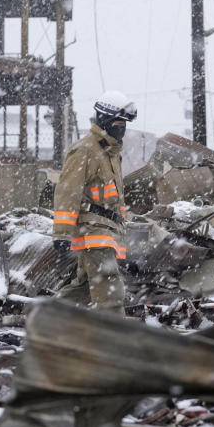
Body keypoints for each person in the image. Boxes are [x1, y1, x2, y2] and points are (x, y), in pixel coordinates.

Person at [52, 90, 136, 314]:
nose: (123, 128)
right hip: (94, 233)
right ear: (105, 120)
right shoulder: (85, 151)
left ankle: (44, 317)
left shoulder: (110, 153)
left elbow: (116, 203)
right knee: (110, 293)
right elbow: (67, 193)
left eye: (125, 123)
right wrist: (61, 233)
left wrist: (123, 239)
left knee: (82, 290)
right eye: (119, 123)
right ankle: (116, 339)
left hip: (108, 232)